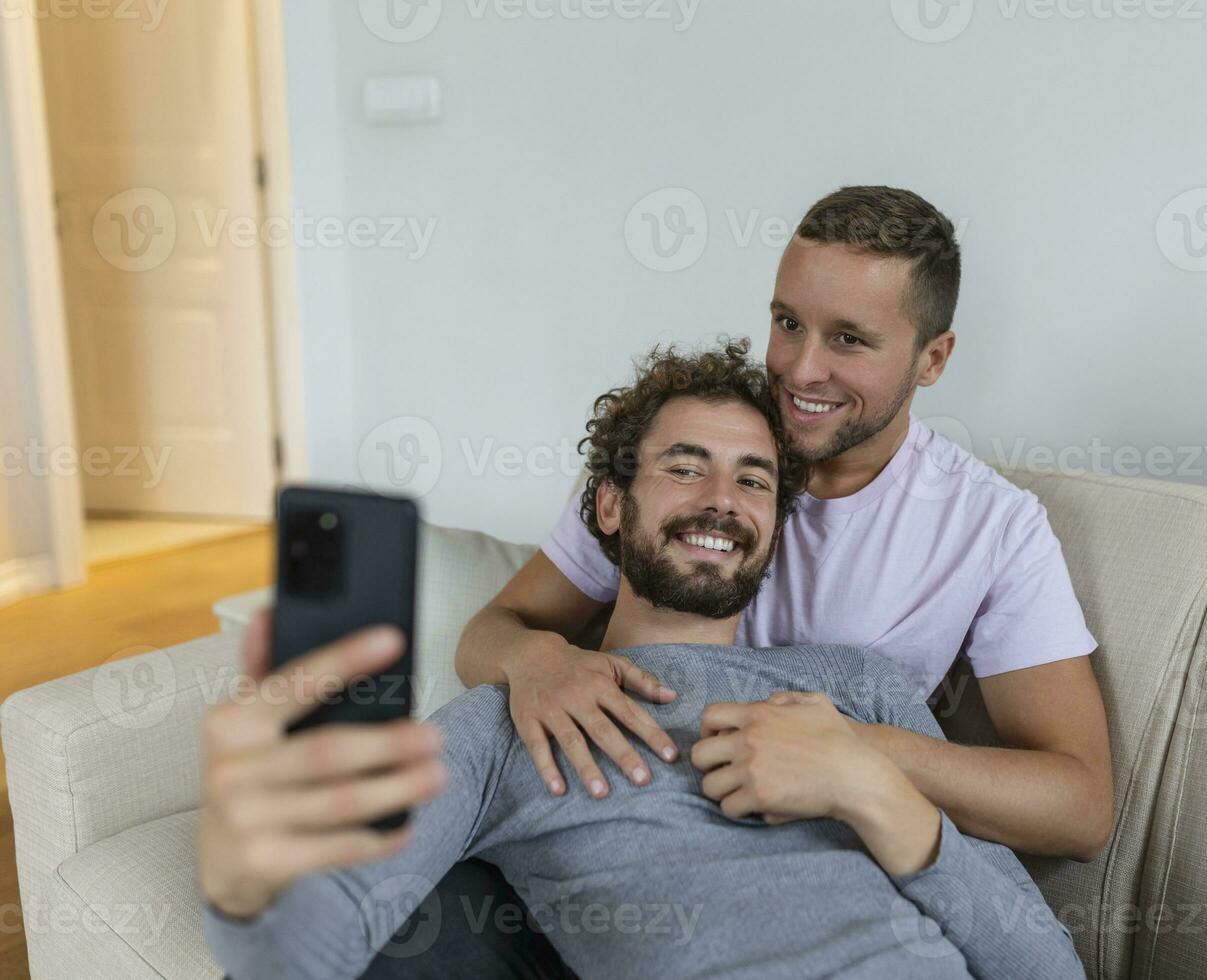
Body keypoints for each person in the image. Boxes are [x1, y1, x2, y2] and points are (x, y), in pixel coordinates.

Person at [198, 343, 1084, 980]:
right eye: (686, 468)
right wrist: (248, 885)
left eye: (753, 480)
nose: (721, 502)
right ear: (612, 507)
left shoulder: (858, 686)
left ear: (775, 528)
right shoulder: (505, 727)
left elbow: (1046, 965)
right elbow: (314, 949)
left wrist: (879, 793)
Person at [449, 187, 1114, 974]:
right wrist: (538, 660)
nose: (801, 368)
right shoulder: (702, 451)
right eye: (788, 322)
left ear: (932, 359)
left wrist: (857, 755)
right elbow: (494, 629)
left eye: (850, 341)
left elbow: (1079, 804)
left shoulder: (989, 528)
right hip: (627, 862)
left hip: (829, 876)